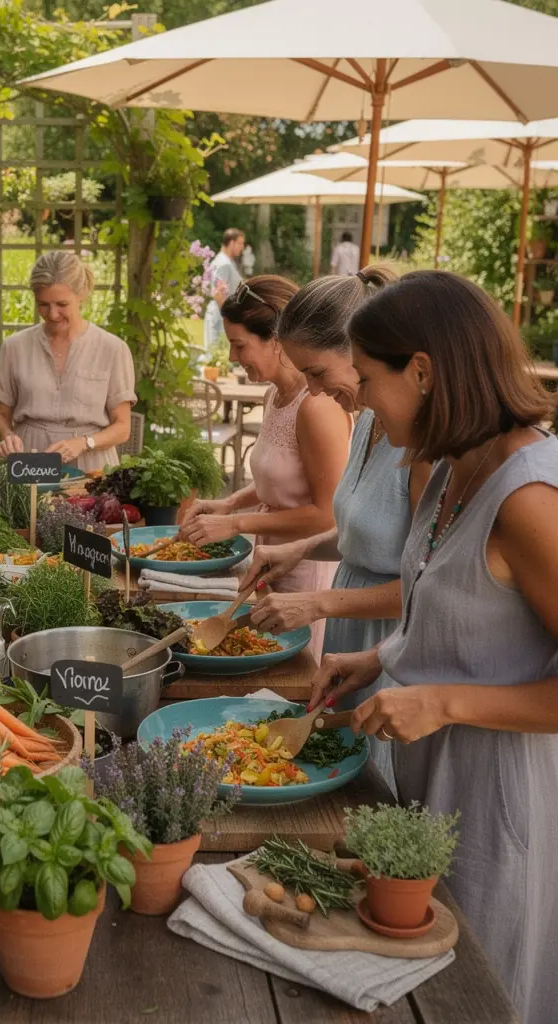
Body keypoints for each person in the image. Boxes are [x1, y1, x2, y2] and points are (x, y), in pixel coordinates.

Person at [309, 271, 558, 1024]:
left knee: (477, 996)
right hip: (427, 789)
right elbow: (452, 613)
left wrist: (444, 701)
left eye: (366, 380)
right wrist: (377, 658)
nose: (359, 402)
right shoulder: (449, 466)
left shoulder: (527, 499)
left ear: (422, 371)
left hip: (495, 806)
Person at [239, 268, 431, 786]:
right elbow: (356, 533)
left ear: (359, 350)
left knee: (376, 788)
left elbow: (424, 586)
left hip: (388, 646)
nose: (313, 390)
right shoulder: (368, 419)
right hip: (350, 640)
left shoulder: (417, 445)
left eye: (318, 373)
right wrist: (298, 550)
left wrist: (319, 602)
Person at [181, 276, 351, 659]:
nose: (231, 358)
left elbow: (327, 515)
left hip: (306, 570)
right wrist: (230, 503)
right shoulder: (277, 394)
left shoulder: (317, 405)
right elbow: (284, 480)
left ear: (276, 339)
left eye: (239, 345)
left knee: (292, 672)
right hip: (269, 565)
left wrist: (237, 523)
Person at [0, 250, 135, 471]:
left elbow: (123, 427)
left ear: (81, 295)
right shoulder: (14, 347)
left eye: (62, 304)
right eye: (43, 305)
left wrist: (85, 443)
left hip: (91, 467)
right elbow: (0, 415)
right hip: (29, 465)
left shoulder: (112, 349)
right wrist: (8, 436)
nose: (53, 314)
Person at [203, 228, 245, 349]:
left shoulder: (228, 262)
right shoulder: (223, 263)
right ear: (231, 243)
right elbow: (218, 294)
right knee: (214, 355)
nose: (242, 247)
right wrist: (227, 317)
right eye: (240, 243)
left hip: (220, 315)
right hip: (218, 316)